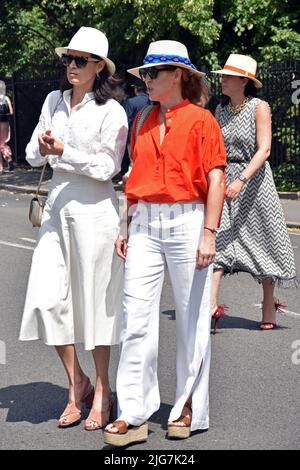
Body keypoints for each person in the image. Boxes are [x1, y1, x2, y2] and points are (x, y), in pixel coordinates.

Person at [103, 40, 227, 446]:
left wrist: (209, 232)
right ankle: (134, 412)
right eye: (146, 75)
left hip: (188, 221)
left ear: (178, 76)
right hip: (144, 224)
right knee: (135, 315)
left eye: (154, 74)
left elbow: (215, 180)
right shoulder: (141, 120)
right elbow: (134, 179)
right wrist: (124, 227)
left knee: (193, 320)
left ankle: (187, 404)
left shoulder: (202, 120)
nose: (148, 81)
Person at [19, 27, 128, 430]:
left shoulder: (112, 111)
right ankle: (75, 382)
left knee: (95, 307)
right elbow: (32, 156)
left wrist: (67, 152)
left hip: (95, 213)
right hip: (57, 210)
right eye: (69, 59)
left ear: (99, 67)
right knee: (46, 299)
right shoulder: (53, 100)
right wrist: (45, 145)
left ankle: (101, 390)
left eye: (81, 60)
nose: (72, 66)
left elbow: (108, 167)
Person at [210, 54, 297, 332]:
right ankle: (210, 306)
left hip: (255, 181)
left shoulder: (260, 107)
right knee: (219, 239)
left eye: (227, 76)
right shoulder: (219, 110)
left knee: (264, 241)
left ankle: (269, 302)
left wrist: (243, 179)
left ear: (243, 81)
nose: (222, 80)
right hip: (225, 179)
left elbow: (265, 149)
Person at [121, 81, 150, 176]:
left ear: (136, 89)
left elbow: (127, 120)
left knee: (133, 159)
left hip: (133, 135)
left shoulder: (131, 101)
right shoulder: (152, 100)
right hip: (149, 134)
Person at [0, 80, 14, 173]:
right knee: (3, 143)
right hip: (5, 122)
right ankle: (8, 156)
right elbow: (11, 112)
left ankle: (0, 168)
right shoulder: (6, 98)